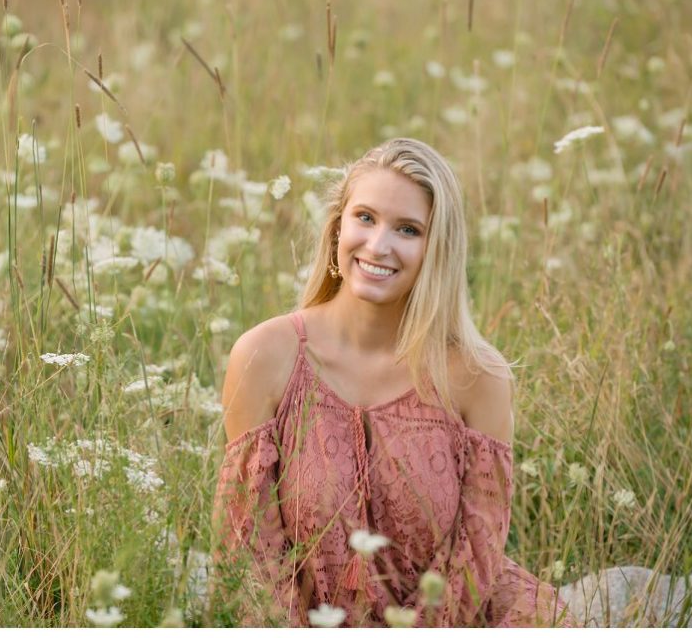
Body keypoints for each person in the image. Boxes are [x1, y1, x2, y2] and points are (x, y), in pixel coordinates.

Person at [215, 138, 566, 627]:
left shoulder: (477, 377)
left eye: (407, 229)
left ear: (436, 249)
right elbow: (250, 558)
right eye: (365, 218)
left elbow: (475, 560)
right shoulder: (265, 357)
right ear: (338, 227)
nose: (378, 245)